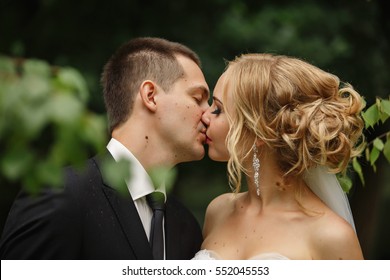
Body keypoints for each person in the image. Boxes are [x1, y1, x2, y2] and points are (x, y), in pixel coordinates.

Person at [0, 37, 210, 259]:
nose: (208, 115)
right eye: (198, 98)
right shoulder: (59, 194)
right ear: (150, 96)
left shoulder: (187, 226)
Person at [194, 53, 365, 260]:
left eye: (218, 109)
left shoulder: (331, 236)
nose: (204, 115)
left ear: (259, 131)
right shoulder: (218, 212)